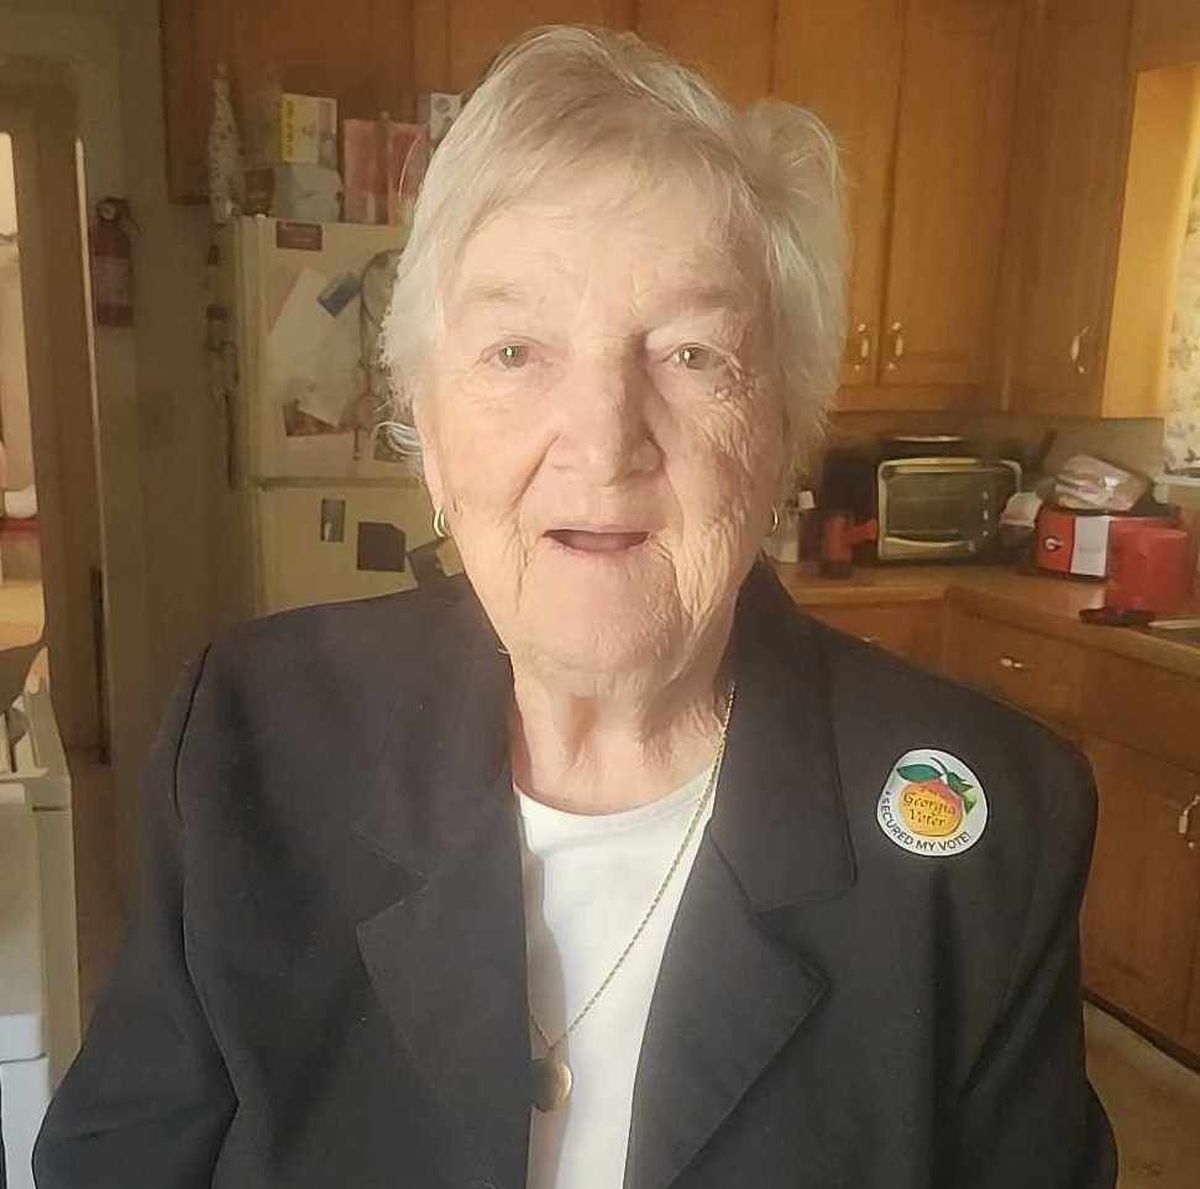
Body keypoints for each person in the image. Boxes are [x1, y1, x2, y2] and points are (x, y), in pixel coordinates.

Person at [33, 25, 1115, 1189]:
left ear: (785, 430)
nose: (604, 443)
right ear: (427, 432)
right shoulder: (249, 740)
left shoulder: (991, 831)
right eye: (514, 350)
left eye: (694, 356)